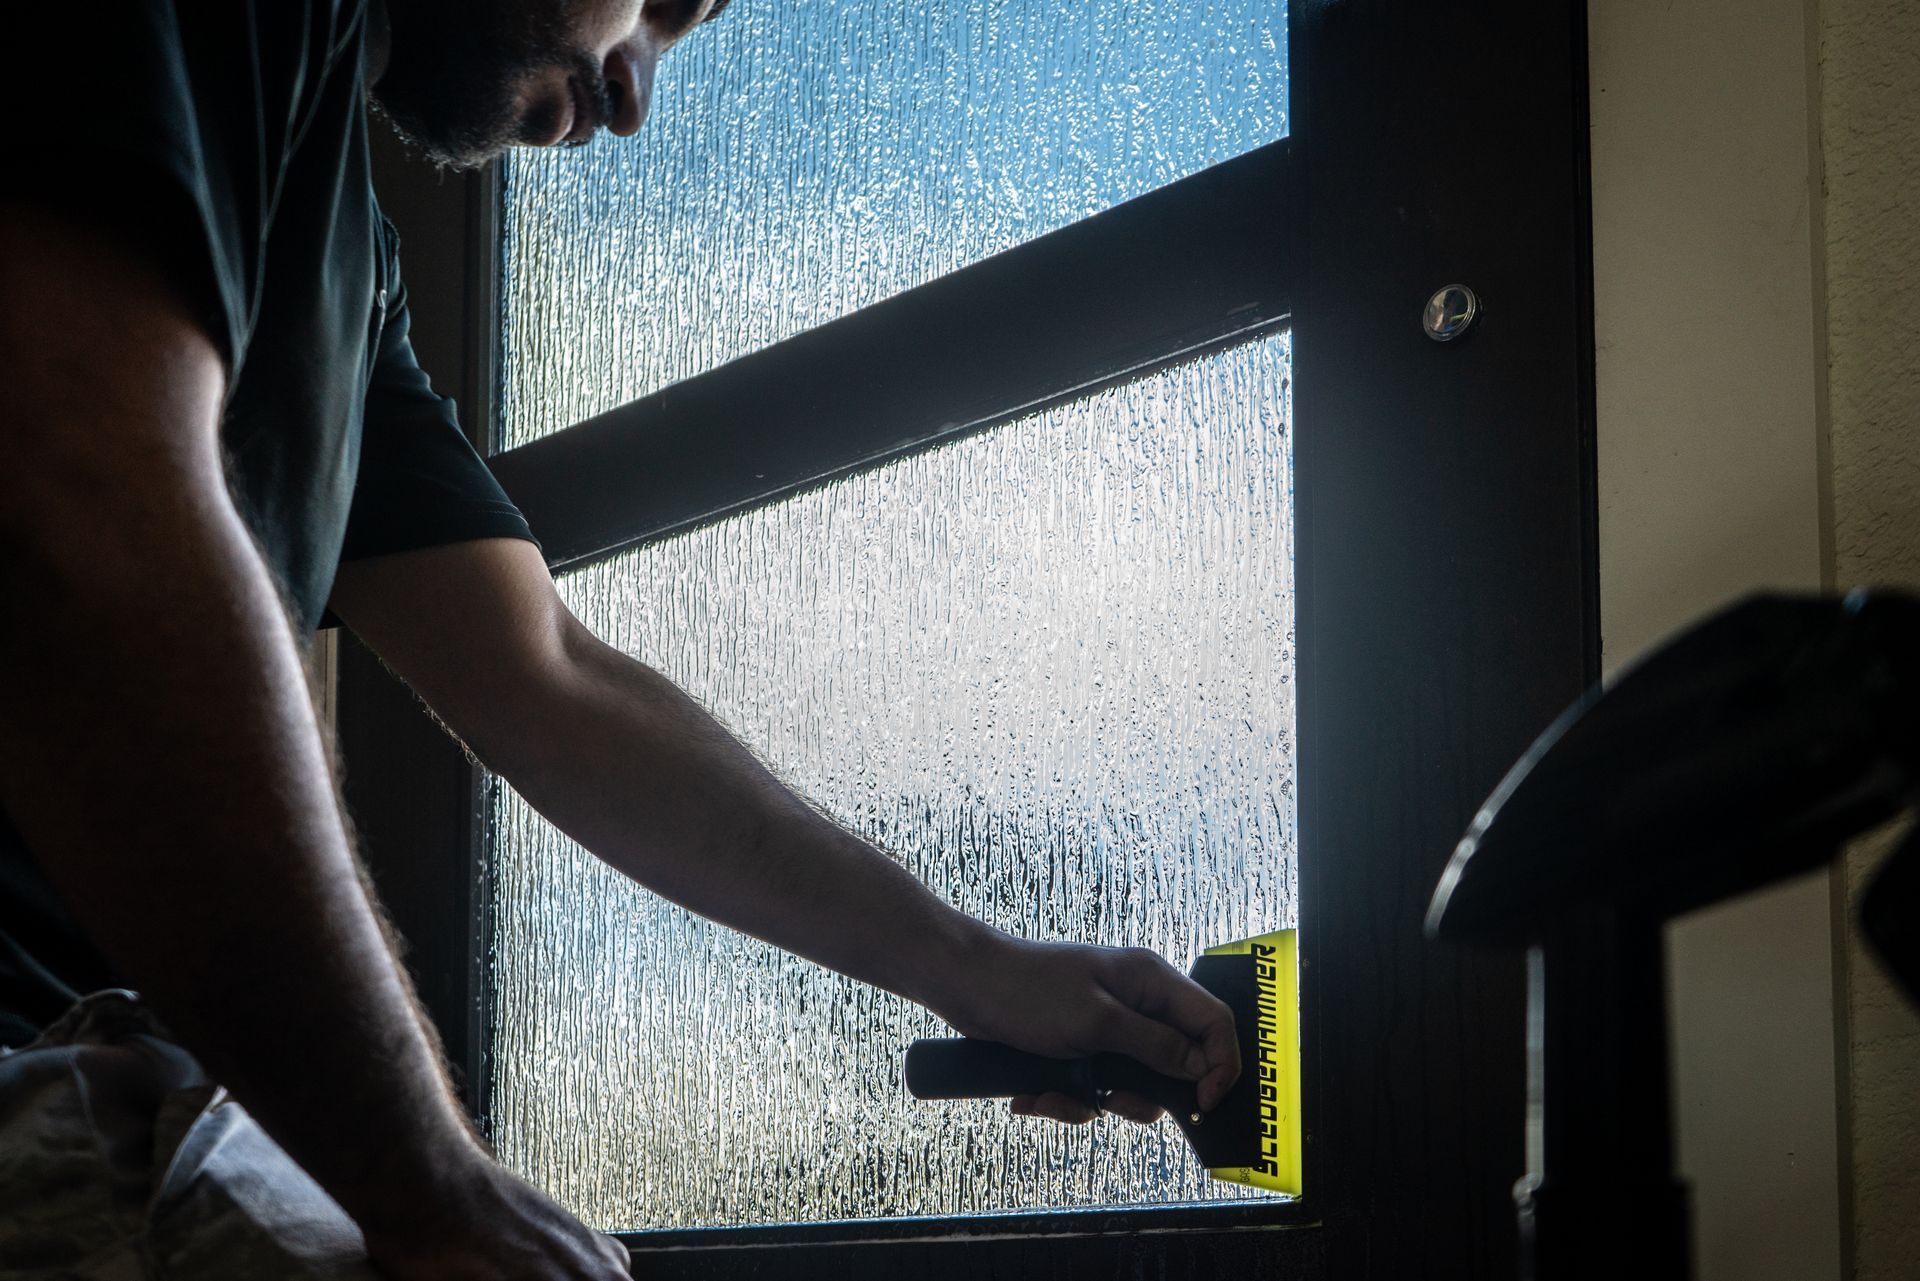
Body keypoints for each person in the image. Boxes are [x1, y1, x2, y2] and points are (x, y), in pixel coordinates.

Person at [0, 1, 1241, 1276]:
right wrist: (425, 1184)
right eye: (661, 5)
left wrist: (976, 965)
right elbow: (84, 488)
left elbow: (555, 681)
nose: (634, 89)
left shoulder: (347, 266)